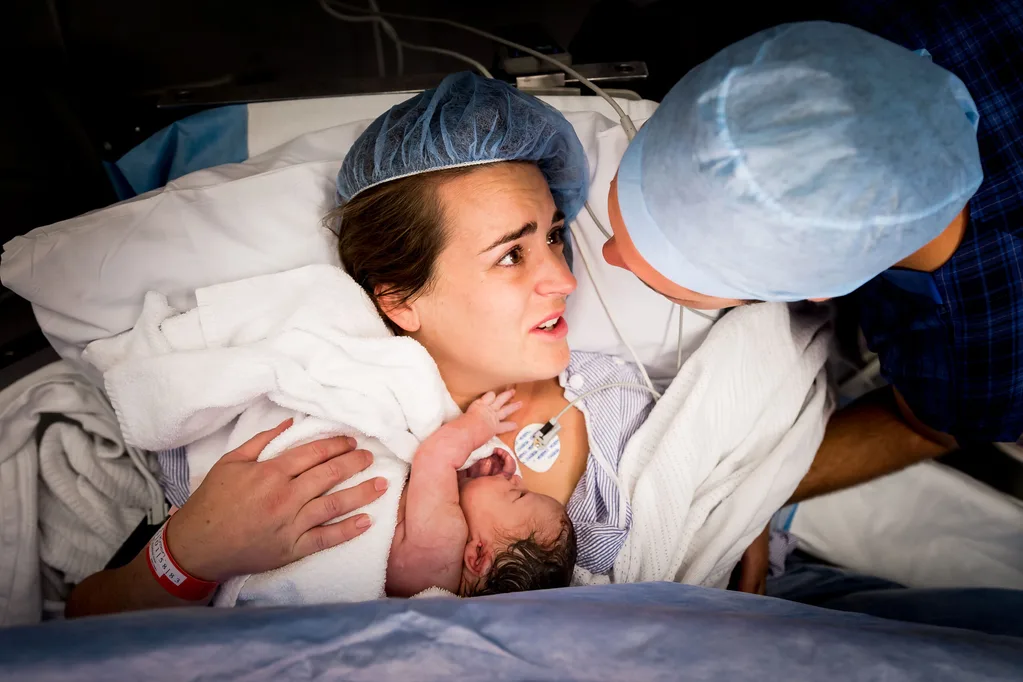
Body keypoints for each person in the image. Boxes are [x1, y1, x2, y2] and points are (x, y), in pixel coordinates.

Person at [600, 18, 1023, 629]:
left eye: (657, 269)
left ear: (818, 291)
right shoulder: (877, 37)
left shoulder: (992, 352)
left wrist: (742, 499)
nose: (606, 256)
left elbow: (926, 426)